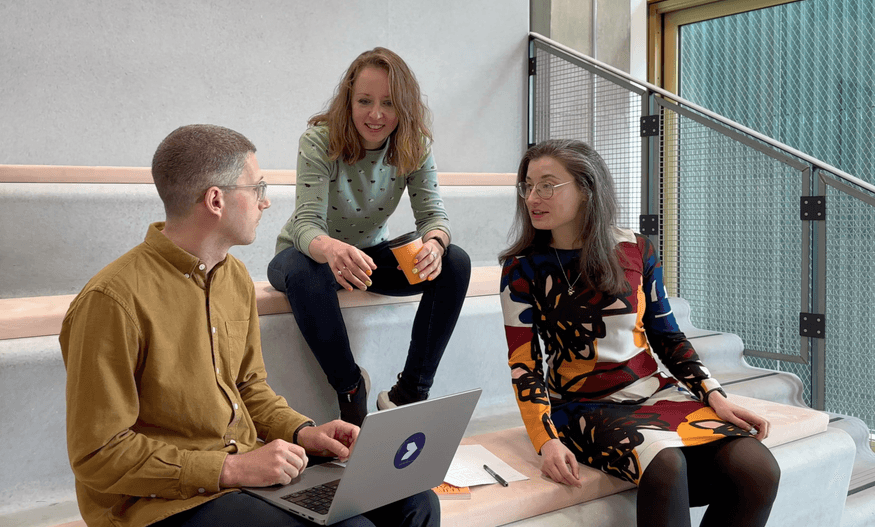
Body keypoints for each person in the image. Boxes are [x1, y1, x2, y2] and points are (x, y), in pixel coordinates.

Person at [59, 124, 439, 527]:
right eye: (257, 189)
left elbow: (249, 388)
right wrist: (230, 469)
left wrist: (302, 432)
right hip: (163, 504)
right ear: (216, 200)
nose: (266, 202)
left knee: (416, 501)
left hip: (244, 472)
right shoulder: (111, 301)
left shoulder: (233, 277)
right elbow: (98, 454)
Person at [498, 139, 781, 527]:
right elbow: (524, 365)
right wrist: (546, 439)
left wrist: (714, 395)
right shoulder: (521, 268)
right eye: (528, 186)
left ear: (586, 189)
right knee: (666, 465)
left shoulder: (636, 250)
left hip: (654, 394)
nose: (533, 197)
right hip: (581, 407)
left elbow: (668, 336)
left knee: (758, 468)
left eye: (548, 185)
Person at [267, 47, 472, 426]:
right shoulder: (318, 140)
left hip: (369, 259)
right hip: (310, 255)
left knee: (455, 261)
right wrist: (331, 249)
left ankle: (409, 393)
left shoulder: (415, 146)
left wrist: (435, 244)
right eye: (365, 101)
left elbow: (433, 216)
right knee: (301, 270)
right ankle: (350, 389)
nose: (376, 114)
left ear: (405, 107)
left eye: (389, 103)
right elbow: (306, 223)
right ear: (349, 99)